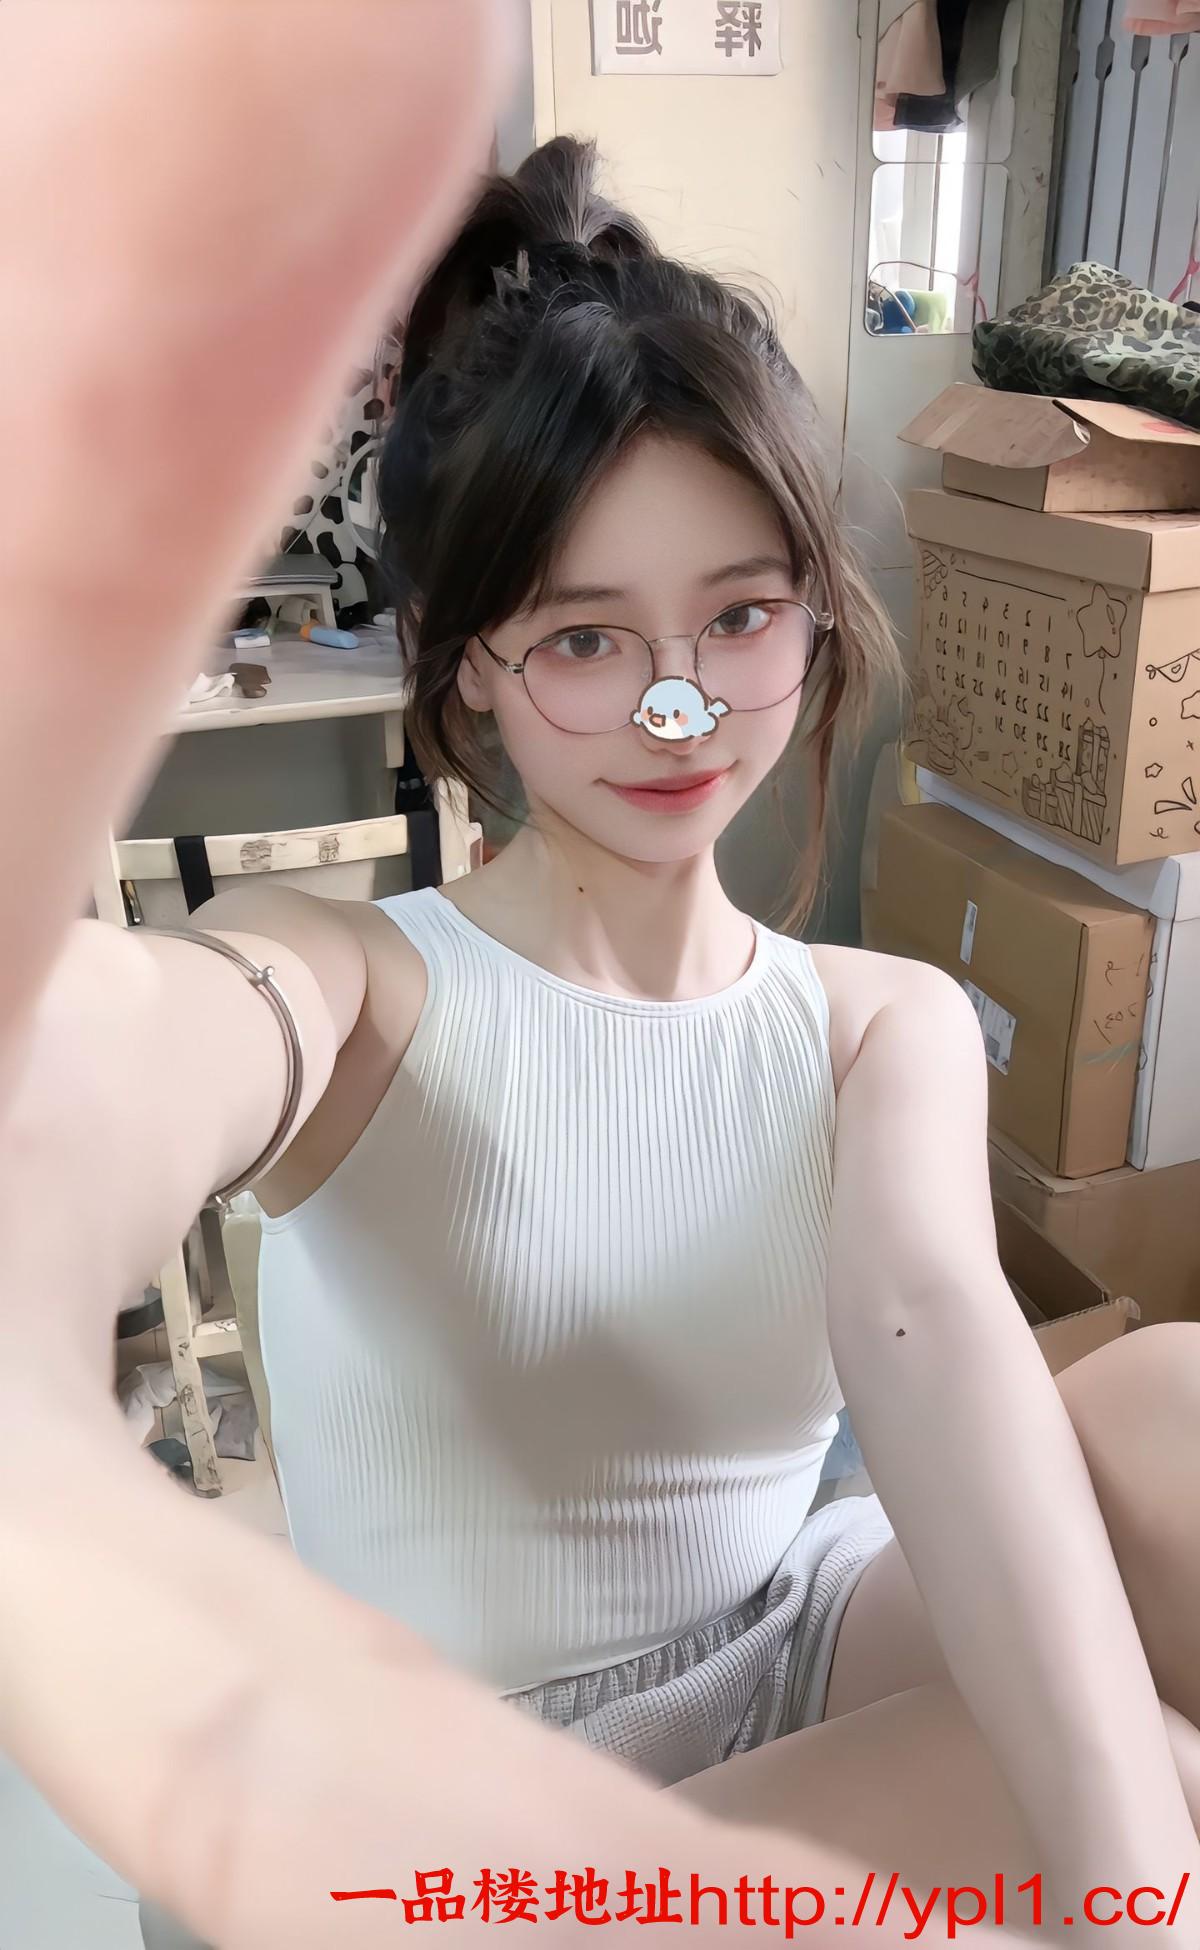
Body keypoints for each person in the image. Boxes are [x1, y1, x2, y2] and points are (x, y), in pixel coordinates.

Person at [1, 6, 1197, 1949]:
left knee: (1169, 1416)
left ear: (816, 616)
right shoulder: (355, 990)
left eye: (739, 617)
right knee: (1098, 1793)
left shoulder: (875, 1023)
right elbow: (142, 1043)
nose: (677, 707)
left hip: (783, 1641)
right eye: (584, 640)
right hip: (467, 1784)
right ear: (471, 665)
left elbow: (928, 1327)